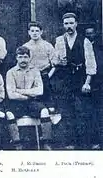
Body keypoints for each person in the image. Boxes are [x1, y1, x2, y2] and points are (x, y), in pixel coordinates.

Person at [52, 12, 97, 149]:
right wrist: (59, 61)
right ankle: (70, 143)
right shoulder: (60, 40)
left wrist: (87, 82)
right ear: (63, 25)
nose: (69, 26)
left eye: (71, 23)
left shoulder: (85, 41)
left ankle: (85, 143)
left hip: (80, 78)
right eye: (66, 24)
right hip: (65, 78)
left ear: (76, 24)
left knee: (82, 111)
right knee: (67, 111)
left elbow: (91, 63)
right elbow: (54, 60)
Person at [6, 46, 53, 150]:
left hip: (32, 102)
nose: (23, 60)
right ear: (16, 58)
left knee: (44, 111)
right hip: (16, 103)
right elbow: (11, 94)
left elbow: (39, 91)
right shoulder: (11, 72)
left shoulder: (35, 71)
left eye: (26, 57)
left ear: (29, 58)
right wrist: (29, 94)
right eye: (20, 57)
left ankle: (46, 143)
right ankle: (17, 144)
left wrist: (19, 90)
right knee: (9, 114)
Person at [23, 21, 55, 106]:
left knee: (48, 103)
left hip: (45, 75)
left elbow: (54, 64)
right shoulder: (25, 47)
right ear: (29, 32)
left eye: (37, 31)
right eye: (32, 31)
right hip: (31, 76)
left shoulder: (48, 46)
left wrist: (48, 76)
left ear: (41, 32)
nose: (34, 33)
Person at [85, 26, 103, 149]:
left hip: (99, 82)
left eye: (92, 33)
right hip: (89, 82)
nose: (90, 35)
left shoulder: (99, 47)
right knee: (89, 112)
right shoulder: (84, 45)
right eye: (87, 33)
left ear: (95, 34)